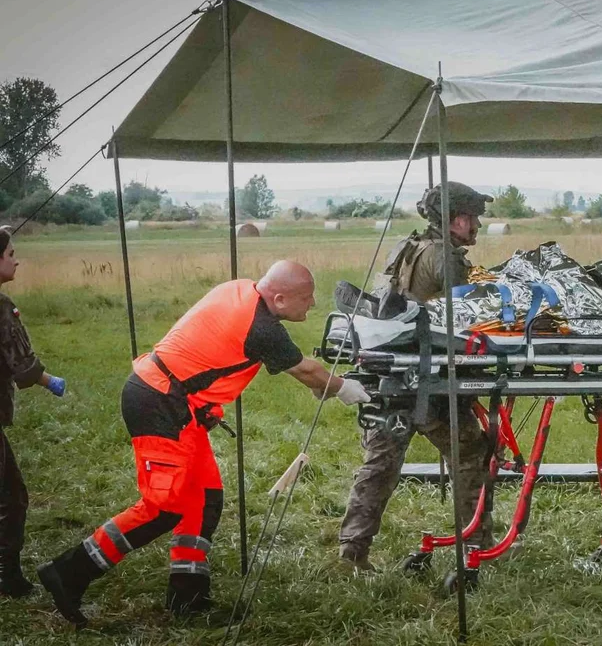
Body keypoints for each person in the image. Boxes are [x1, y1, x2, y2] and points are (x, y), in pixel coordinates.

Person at [37, 260, 371, 627]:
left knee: (204, 498)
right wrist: (342, 388)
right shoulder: (261, 327)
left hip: (180, 405)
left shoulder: (240, 289)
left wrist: (319, 386)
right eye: (306, 298)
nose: (312, 304)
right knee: (164, 506)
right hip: (159, 404)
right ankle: (69, 573)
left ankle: (188, 598)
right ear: (278, 298)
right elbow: (305, 369)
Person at [338, 181, 497, 571]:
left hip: (392, 375)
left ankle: (352, 552)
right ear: (457, 219)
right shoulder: (447, 257)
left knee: (379, 465)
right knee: (471, 454)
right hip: (430, 380)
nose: (476, 225)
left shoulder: (406, 248)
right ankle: (476, 546)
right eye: (472, 218)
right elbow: (467, 316)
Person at [0, 228, 66, 599]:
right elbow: (22, 366)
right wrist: (49, 380)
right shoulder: (2, 308)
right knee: (10, 497)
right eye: (10, 253)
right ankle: (6, 576)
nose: (16, 259)